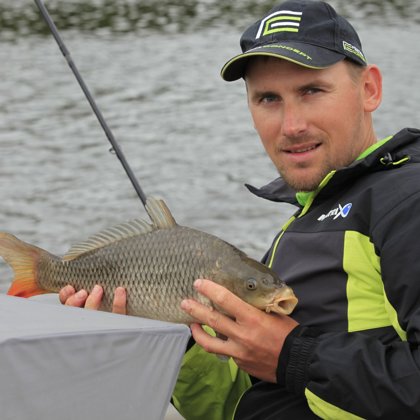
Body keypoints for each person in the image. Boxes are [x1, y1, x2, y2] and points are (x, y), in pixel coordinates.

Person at [59, 0, 420, 418]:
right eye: (268, 98)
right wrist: (181, 335)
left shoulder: (405, 199)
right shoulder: (303, 224)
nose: (291, 125)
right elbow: (238, 404)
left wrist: (293, 355)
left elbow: (292, 362)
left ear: (369, 89)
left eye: (312, 91)